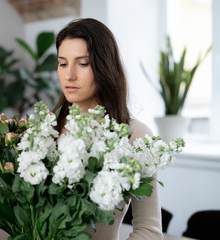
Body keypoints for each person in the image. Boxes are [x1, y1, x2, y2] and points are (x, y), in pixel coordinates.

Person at [52, 18, 163, 240]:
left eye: (83, 64)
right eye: (63, 63)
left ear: (104, 66)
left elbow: (149, 231)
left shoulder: (135, 135)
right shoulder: (45, 130)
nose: (69, 75)